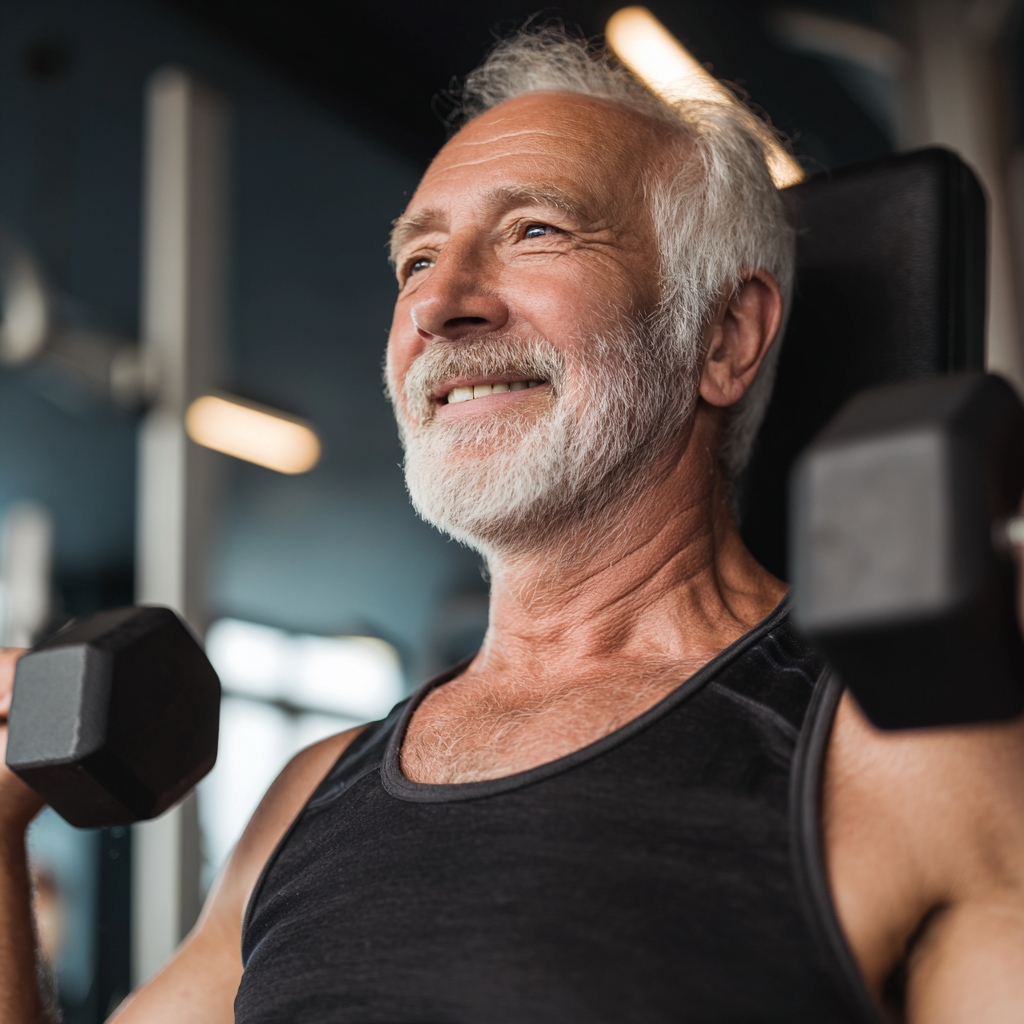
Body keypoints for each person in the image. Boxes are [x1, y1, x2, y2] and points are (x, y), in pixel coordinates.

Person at [2, 27, 1024, 1024]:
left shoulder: (899, 752)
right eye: (414, 262)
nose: (441, 304)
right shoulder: (307, 796)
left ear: (723, 334)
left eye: (536, 230)